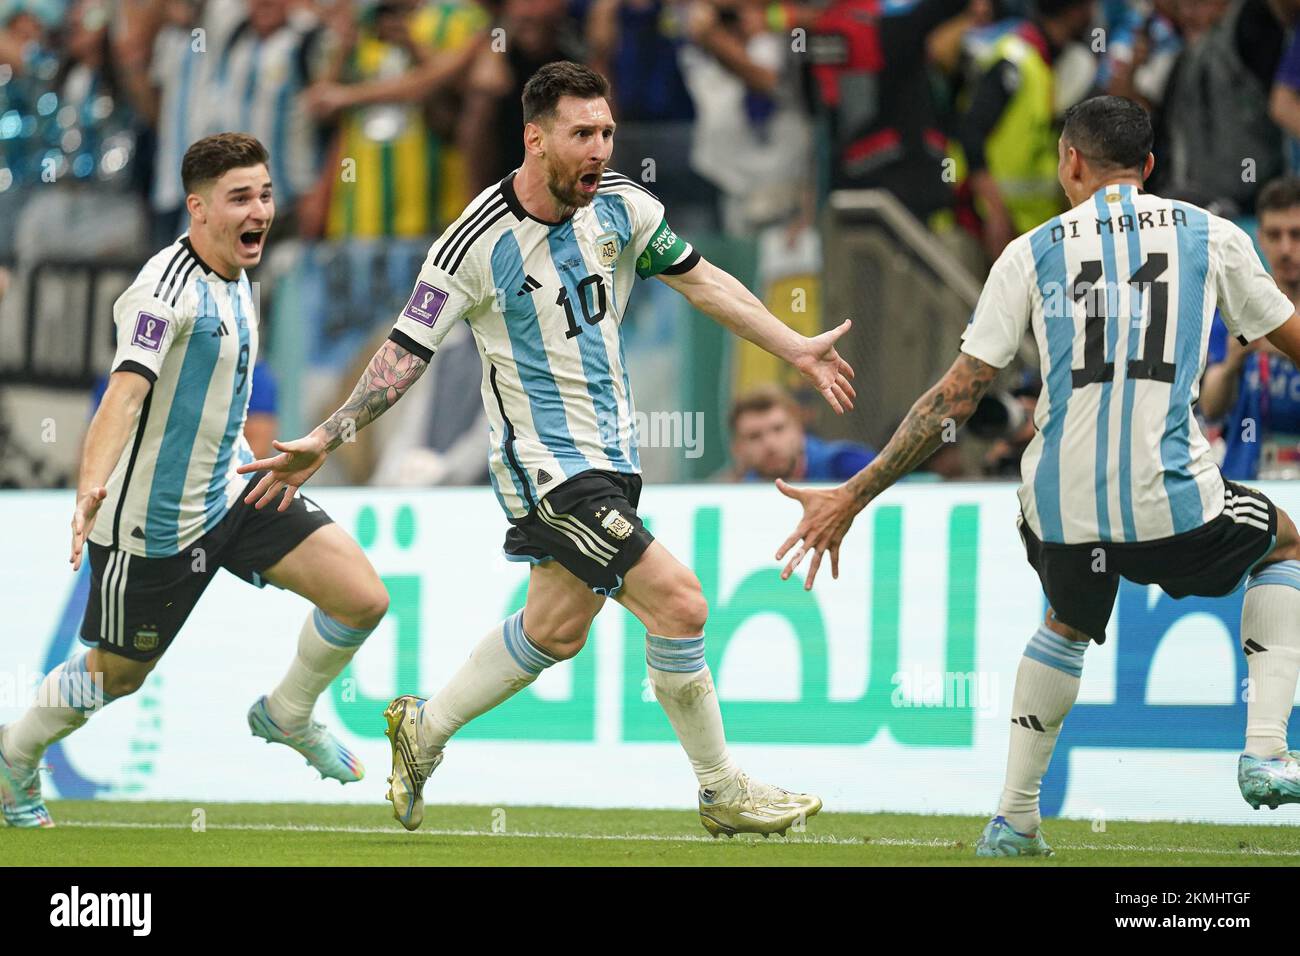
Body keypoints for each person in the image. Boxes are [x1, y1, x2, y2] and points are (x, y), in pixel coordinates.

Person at [239, 61, 856, 838]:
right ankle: (721, 789)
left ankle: (422, 728)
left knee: (556, 631)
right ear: (535, 139)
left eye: (607, 132)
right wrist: (328, 437)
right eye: (582, 134)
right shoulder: (473, 242)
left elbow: (705, 284)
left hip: (612, 460)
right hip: (546, 470)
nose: (600, 149)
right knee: (681, 604)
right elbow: (403, 354)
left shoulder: (625, 208)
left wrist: (794, 345)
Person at [774, 96, 1300, 856]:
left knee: (1066, 618)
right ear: (1150, 168)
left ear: (1070, 165)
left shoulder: (1028, 253)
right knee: (1282, 543)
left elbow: (954, 397)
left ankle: (1013, 820)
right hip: (1172, 503)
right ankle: (1264, 752)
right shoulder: (1213, 236)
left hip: (1056, 509)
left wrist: (855, 494)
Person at [0, 133, 388, 829]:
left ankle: (287, 713)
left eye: (265, 195)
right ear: (198, 209)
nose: (260, 211)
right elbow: (123, 393)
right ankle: (14, 758)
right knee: (117, 675)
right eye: (240, 198)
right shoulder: (162, 293)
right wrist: (90, 484)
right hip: (152, 524)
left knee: (362, 599)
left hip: (234, 487)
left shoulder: (239, 274)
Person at [957, 0, 1097, 260]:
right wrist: (996, 213)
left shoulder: (1046, 61)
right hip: (981, 226)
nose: (1093, 15)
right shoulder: (1015, 60)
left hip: (1025, 231)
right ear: (1074, 11)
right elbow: (971, 133)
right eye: (1089, 6)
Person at [1201, 177, 1300, 478]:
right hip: (1252, 481)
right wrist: (1232, 362)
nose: (1285, 248)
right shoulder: (1235, 307)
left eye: (1296, 235)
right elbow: (1210, 408)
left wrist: (1287, 345)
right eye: (1274, 234)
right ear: (1259, 238)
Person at [728, 383, 876, 482]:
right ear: (738, 448)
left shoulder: (844, 465)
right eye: (754, 436)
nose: (770, 443)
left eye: (779, 429)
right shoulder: (731, 494)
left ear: (799, 429)